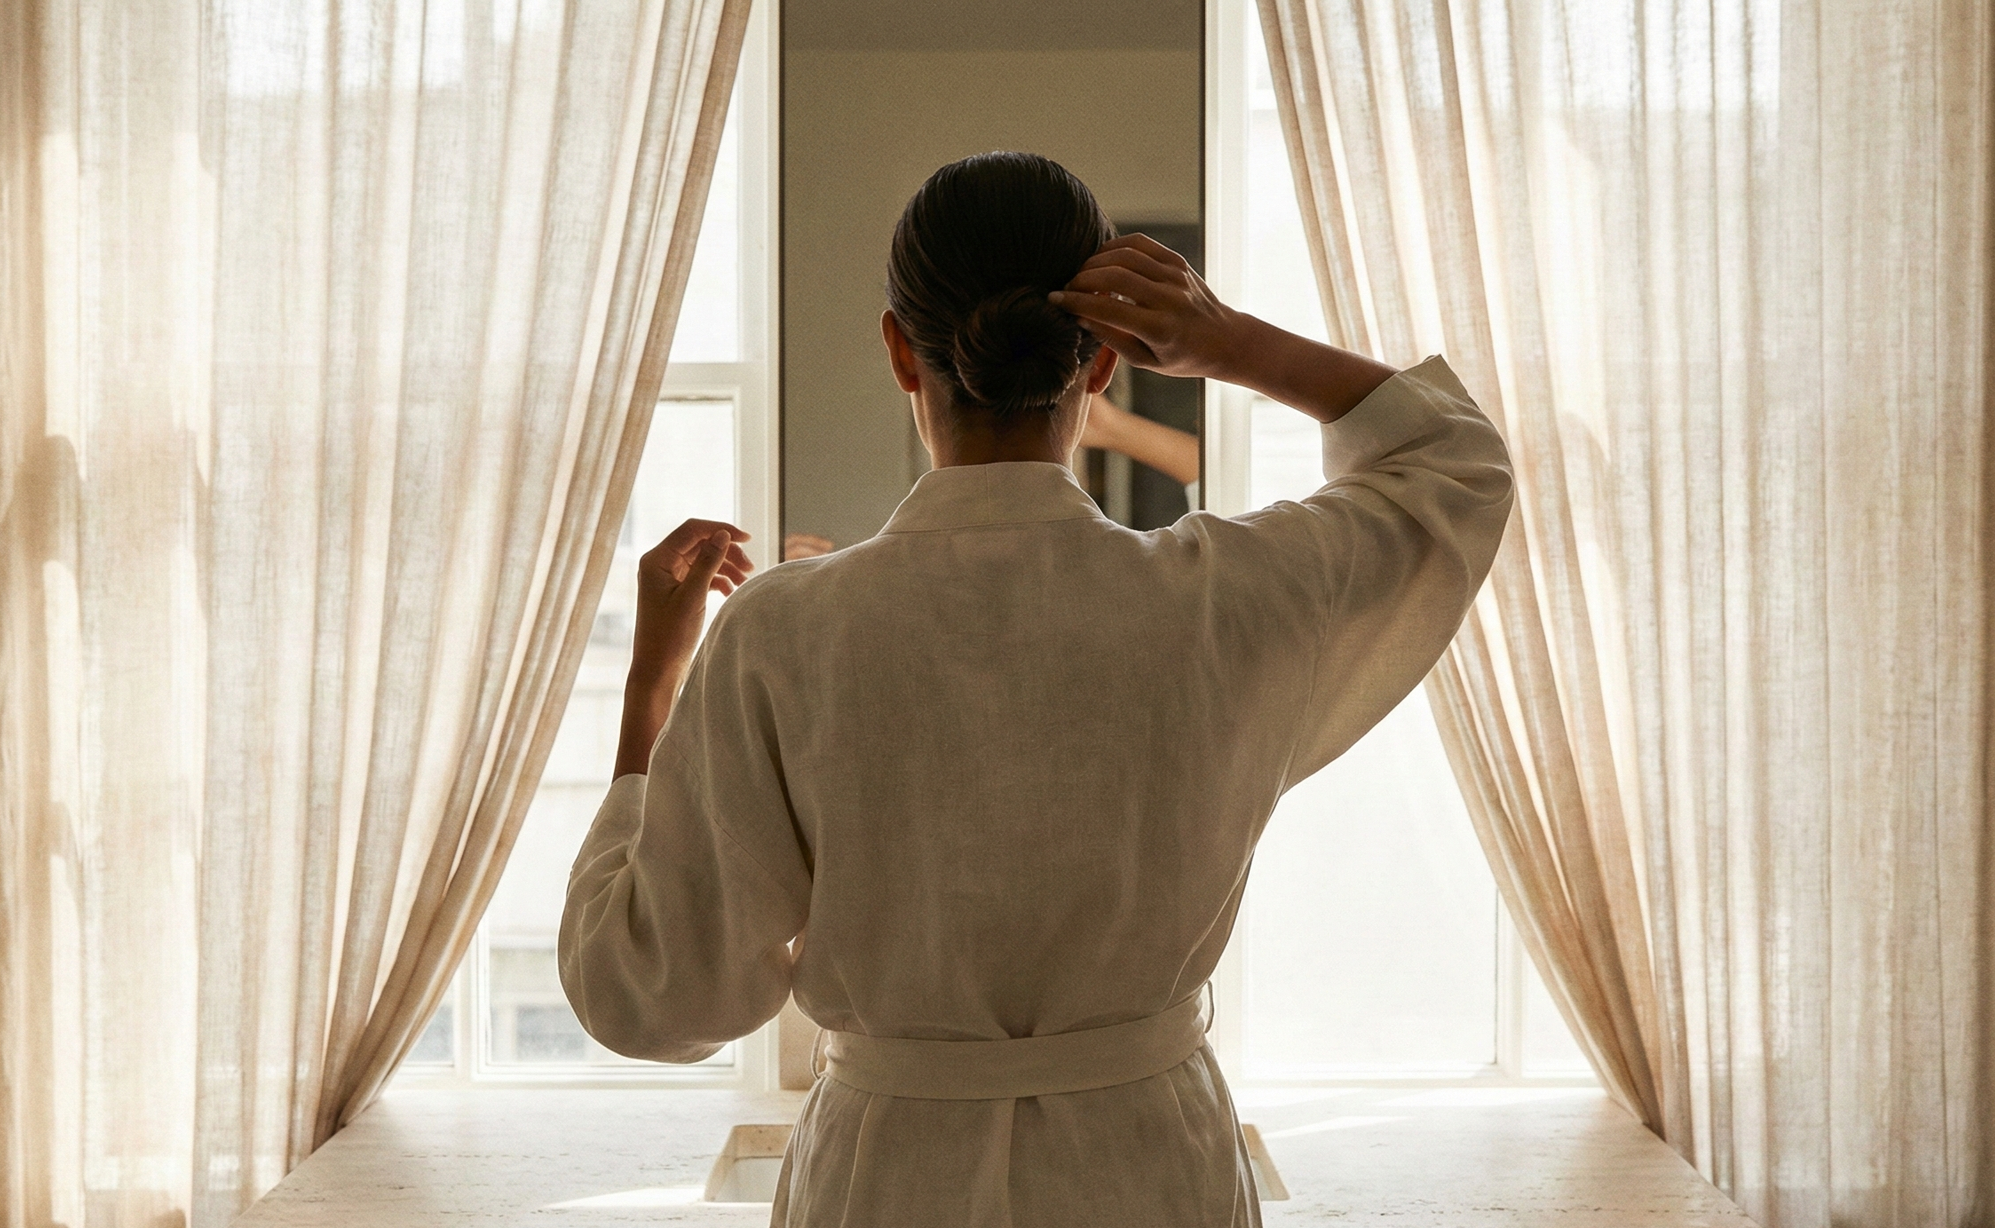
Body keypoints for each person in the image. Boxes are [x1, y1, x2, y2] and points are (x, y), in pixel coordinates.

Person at [559, 152, 1513, 1228]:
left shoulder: (781, 629)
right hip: (1150, 1169)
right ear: (1102, 362)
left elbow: (659, 996)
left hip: (887, 1178)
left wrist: (651, 688)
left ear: (898, 353)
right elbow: (1456, 467)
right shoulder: (1220, 598)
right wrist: (1227, 342)